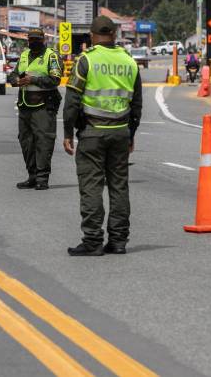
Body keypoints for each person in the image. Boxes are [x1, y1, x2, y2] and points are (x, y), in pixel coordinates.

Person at [63, 16, 142, 257]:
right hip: (120, 132)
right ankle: (118, 241)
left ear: (91, 35)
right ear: (115, 35)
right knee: (119, 187)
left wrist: (68, 132)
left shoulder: (86, 60)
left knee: (91, 187)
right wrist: (131, 134)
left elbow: (73, 101)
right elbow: (136, 104)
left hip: (92, 133)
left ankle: (93, 241)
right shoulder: (129, 62)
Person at [8, 28, 63, 191]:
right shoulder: (24, 55)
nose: (33, 42)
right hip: (25, 105)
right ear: (28, 41)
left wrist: (33, 80)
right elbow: (12, 75)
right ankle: (32, 175)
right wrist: (17, 80)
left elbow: (55, 80)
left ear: (43, 40)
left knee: (43, 141)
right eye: (31, 39)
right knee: (26, 141)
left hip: (44, 106)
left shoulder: (51, 56)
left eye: (37, 39)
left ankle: (42, 177)